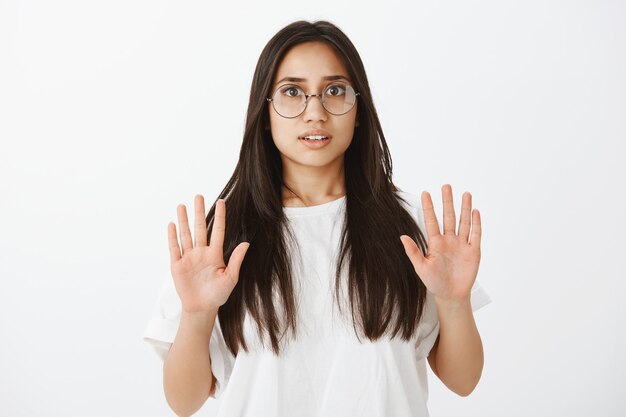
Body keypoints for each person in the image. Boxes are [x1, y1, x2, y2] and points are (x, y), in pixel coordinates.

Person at [143, 19, 491, 417]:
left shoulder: (410, 227)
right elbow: (182, 402)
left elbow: (463, 381)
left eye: (335, 91)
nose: (315, 112)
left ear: (358, 108)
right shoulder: (221, 237)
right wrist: (197, 314)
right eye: (293, 92)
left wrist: (454, 300)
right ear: (265, 109)